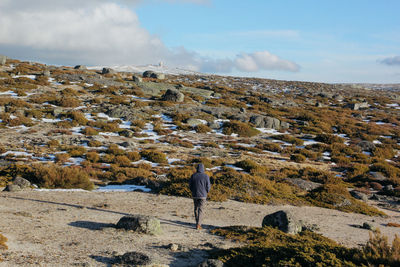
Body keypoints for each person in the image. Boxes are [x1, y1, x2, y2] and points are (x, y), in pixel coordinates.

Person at [189, 163, 211, 230]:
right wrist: (206, 192)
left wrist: (193, 191)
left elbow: (190, 185)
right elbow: (208, 186)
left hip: (195, 194)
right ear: (203, 168)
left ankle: (197, 223)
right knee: (201, 209)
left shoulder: (193, 176)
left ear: (197, 168)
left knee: (196, 208)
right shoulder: (206, 176)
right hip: (203, 195)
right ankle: (199, 224)